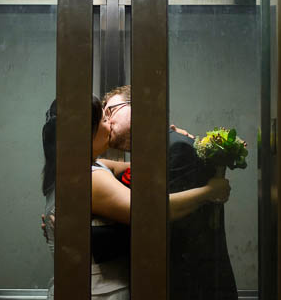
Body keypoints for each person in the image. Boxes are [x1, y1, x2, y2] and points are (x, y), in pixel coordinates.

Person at [42, 96, 229, 300]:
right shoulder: (90, 177)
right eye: (105, 119)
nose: (110, 123)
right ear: (87, 133)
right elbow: (149, 213)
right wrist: (210, 192)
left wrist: (169, 138)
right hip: (102, 291)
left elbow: (146, 166)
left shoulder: (85, 166)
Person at [103, 85, 240, 300]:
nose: (106, 120)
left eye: (110, 110)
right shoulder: (156, 151)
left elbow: (163, 223)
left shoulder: (177, 147)